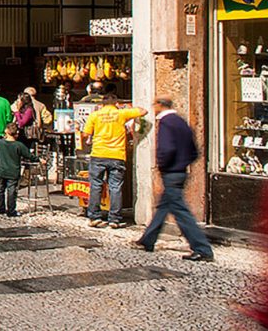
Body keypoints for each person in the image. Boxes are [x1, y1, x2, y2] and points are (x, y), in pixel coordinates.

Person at [135, 96, 214, 261]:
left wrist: (163, 165)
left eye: (154, 104)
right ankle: (147, 240)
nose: (153, 107)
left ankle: (202, 248)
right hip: (180, 171)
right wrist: (183, 162)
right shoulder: (180, 122)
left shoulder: (166, 122)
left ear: (160, 106)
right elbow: (194, 150)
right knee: (164, 206)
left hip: (171, 172)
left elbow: (167, 148)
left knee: (180, 211)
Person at [81, 94, 147, 228]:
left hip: (98, 154)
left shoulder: (95, 115)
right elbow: (143, 111)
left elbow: (85, 134)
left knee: (96, 185)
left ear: (102, 104)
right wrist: (125, 107)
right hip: (117, 155)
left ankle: (94, 216)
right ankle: (114, 219)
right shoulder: (121, 114)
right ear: (116, 103)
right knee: (115, 187)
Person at [0, 122, 39, 217]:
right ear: (16, 134)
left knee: (0, 190)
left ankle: (0, 208)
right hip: (13, 171)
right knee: (11, 191)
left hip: (1, 170)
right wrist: (39, 159)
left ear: (6, 131)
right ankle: (11, 211)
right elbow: (29, 156)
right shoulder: (19, 145)